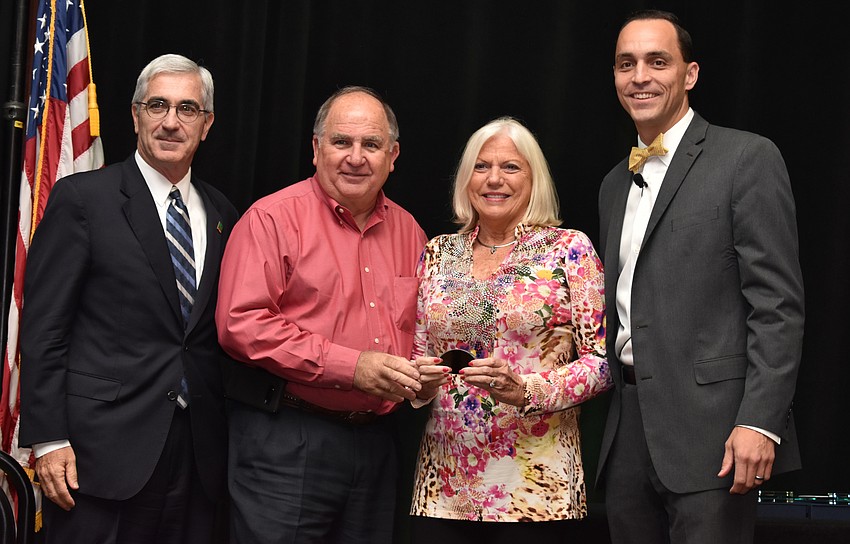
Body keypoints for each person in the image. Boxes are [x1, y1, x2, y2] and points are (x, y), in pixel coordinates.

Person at [596, 10, 805, 544]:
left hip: (715, 433)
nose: (639, 76)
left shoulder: (746, 158)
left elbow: (777, 306)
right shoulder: (614, 183)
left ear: (689, 74)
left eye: (656, 61)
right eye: (627, 64)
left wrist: (760, 421)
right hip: (627, 431)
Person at [19, 54, 238, 543]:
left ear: (207, 125)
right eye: (157, 105)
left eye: (187, 110)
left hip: (197, 456)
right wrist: (50, 440)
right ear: (135, 114)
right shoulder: (84, 199)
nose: (170, 122)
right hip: (97, 457)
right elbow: (45, 328)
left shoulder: (223, 212)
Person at [215, 85, 427, 544]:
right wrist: (352, 368)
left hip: (377, 446)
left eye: (371, 145)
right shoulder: (271, 219)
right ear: (316, 149)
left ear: (392, 155)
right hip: (288, 441)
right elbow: (241, 324)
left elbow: (418, 331)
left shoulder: (411, 232)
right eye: (341, 142)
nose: (356, 157)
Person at [408, 116, 611, 542]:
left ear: (533, 178)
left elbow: (601, 363)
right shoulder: (438, 252)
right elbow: (419, 354)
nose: (494, 179)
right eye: (482, 167)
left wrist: (526, 391)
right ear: (466, 178)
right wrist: (419, 384)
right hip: (444, 482)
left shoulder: (569, 249)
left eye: (511, 167)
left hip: (538, 486)